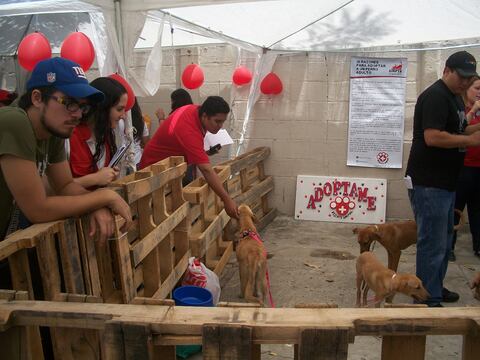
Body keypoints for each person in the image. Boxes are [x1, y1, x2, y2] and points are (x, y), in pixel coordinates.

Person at [0, 57, 132, 245]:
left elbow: (65, 186)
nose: (78, 114)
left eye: (82, 106)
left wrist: (94, 203)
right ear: (37, 98)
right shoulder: (14, 121)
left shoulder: (53, 130)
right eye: (69, 102)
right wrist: (104, 196)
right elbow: (37, 209)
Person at [405, 51, 480, 307]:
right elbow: (433, 137)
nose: (466, 83)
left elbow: (458, 128)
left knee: (444, 241)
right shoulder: (436, 96)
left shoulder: (455, 98)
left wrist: (475, 129)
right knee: (432, 242)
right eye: (462, 77)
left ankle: (434, 287)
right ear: (447, 70)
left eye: (470, 78)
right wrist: (470, 141)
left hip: (446, 182)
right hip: (429, 182)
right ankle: (426, 297)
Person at [139, 96, 239, 219]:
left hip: (169, 168)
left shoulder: (195, 110)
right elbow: (206, 169)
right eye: (217, 121)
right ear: (204, 116)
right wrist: (227, 199)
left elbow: (184, 145)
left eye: (222, 122)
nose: (220, 126)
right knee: (156, 214)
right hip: (153, 171)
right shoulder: (189, 130)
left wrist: (204, 152)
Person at [68, 77, 127, 188]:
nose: (123, 116)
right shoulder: (71, 136)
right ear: (102, 108)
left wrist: (109, 175)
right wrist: (96, 178)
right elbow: (58, 186)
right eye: (119, 109)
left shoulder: (106, 136)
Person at [451, 76, 480, 260]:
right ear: (467, 90)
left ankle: (478, 245)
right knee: (456, 208)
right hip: (463, 167)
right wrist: (475, 109)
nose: (479, 92)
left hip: (479, 168)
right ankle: (449, 246)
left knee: (477, 210)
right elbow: (460, 128)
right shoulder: (462, 109)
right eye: (477, 88)